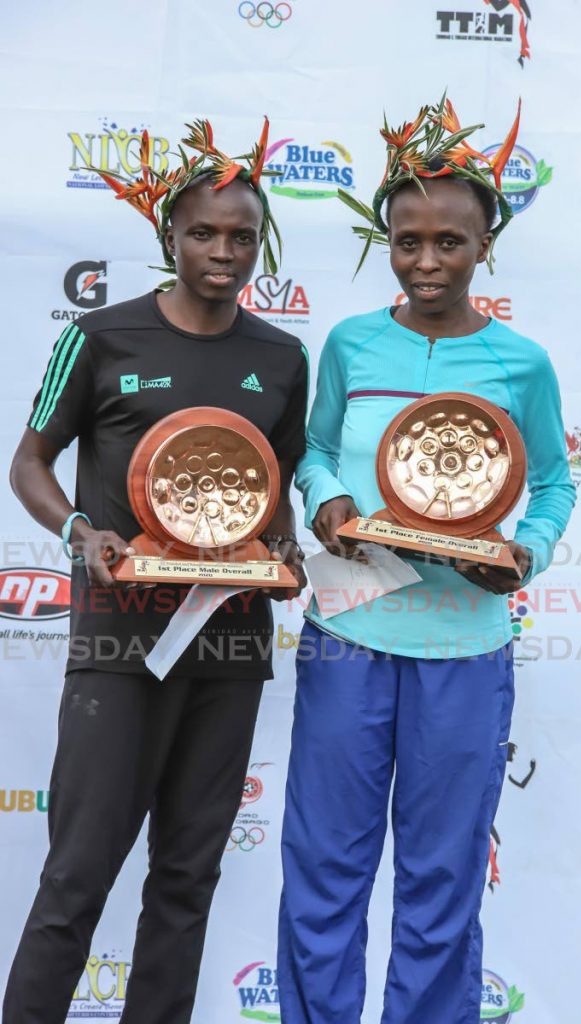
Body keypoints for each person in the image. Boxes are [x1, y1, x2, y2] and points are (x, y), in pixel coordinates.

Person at [277, 97, 575, 1023]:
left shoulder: (520, 363)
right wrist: (324, 499)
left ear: (485, 244)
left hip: (466, 646)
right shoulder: (353, 343)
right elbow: (317, 449)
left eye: (450, 242)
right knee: (325, 867)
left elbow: (557, 484)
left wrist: (524, 552)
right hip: (347, 633)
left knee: (441, 879)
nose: (427, 262)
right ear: (384, 241)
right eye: (408, 241)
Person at [3, 118, 307, 1024]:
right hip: (119, 640)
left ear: (260, 244)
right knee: (78, 874)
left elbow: (275, 488)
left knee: (186, 879)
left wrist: (282, 553)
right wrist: (80, 532)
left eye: (241, 236)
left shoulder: (281, 357)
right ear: (168, 237)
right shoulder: (100, 338)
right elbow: (28, 464)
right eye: (204, 233)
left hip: (229, 647)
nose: (223, 251)